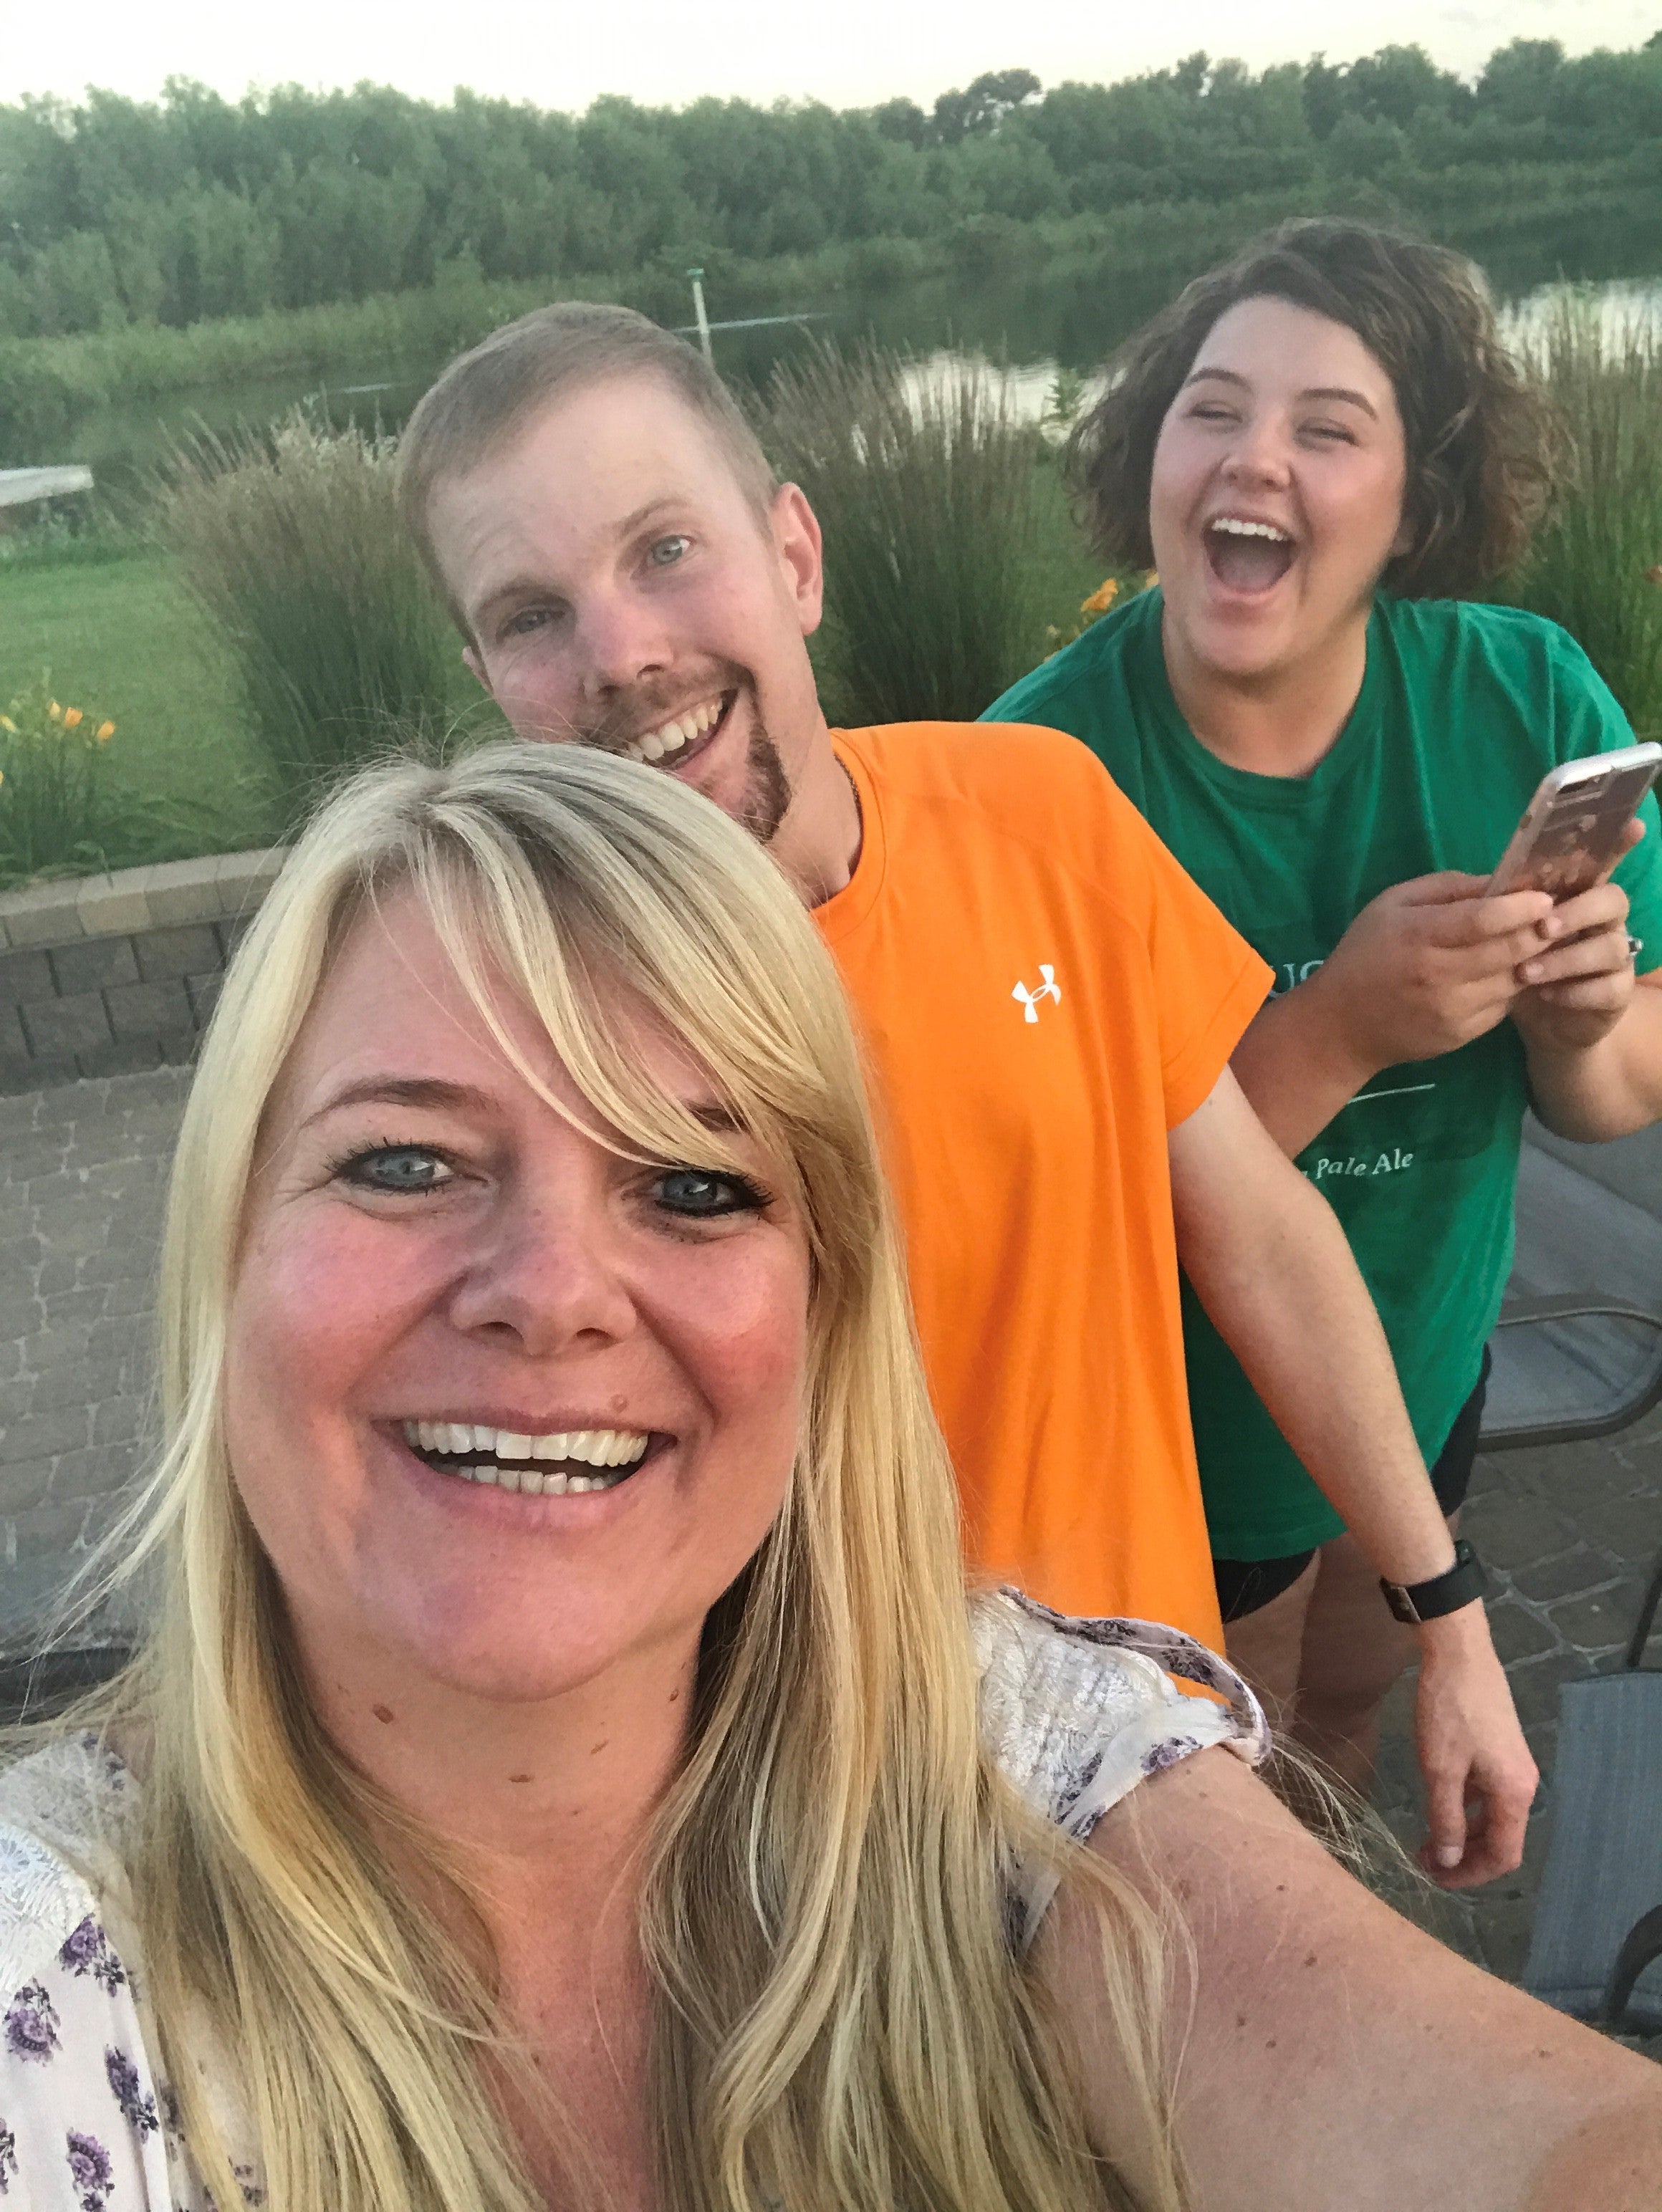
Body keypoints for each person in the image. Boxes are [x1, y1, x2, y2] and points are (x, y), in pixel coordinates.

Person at [1, 743, 1655, 2212]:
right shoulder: (55, 1979)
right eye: (404, 1160)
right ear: (224, 1254)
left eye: (696, 1186)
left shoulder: (1025, 1774)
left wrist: (1441, 1606)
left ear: (828, 1312)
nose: (553, 1288)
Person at [394, 302, 1533, 1885]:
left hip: (1145, 1758)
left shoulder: (1035, 808)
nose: (619, 653)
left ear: (793, 553)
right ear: (485, 672)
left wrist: (1442, 1606)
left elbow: (1256, 1234)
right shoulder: (533, 1034)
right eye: (531, 613)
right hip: (813, 1853)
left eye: (663, 550)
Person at [984, 218, 1662, 1802]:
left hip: (1418, 1371)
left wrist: (1571, 1022)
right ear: (1147, 448)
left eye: (1325, 427)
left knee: (1342, 1733)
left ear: (1414, 500)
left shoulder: (1521, 698)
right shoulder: (1034, 780)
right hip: (1166, 1433)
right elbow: (1063, 1229)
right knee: (1198, 1800)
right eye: (1209, 408)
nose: (1253, 458)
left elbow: (1617, 1087)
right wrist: (1344, 1021)